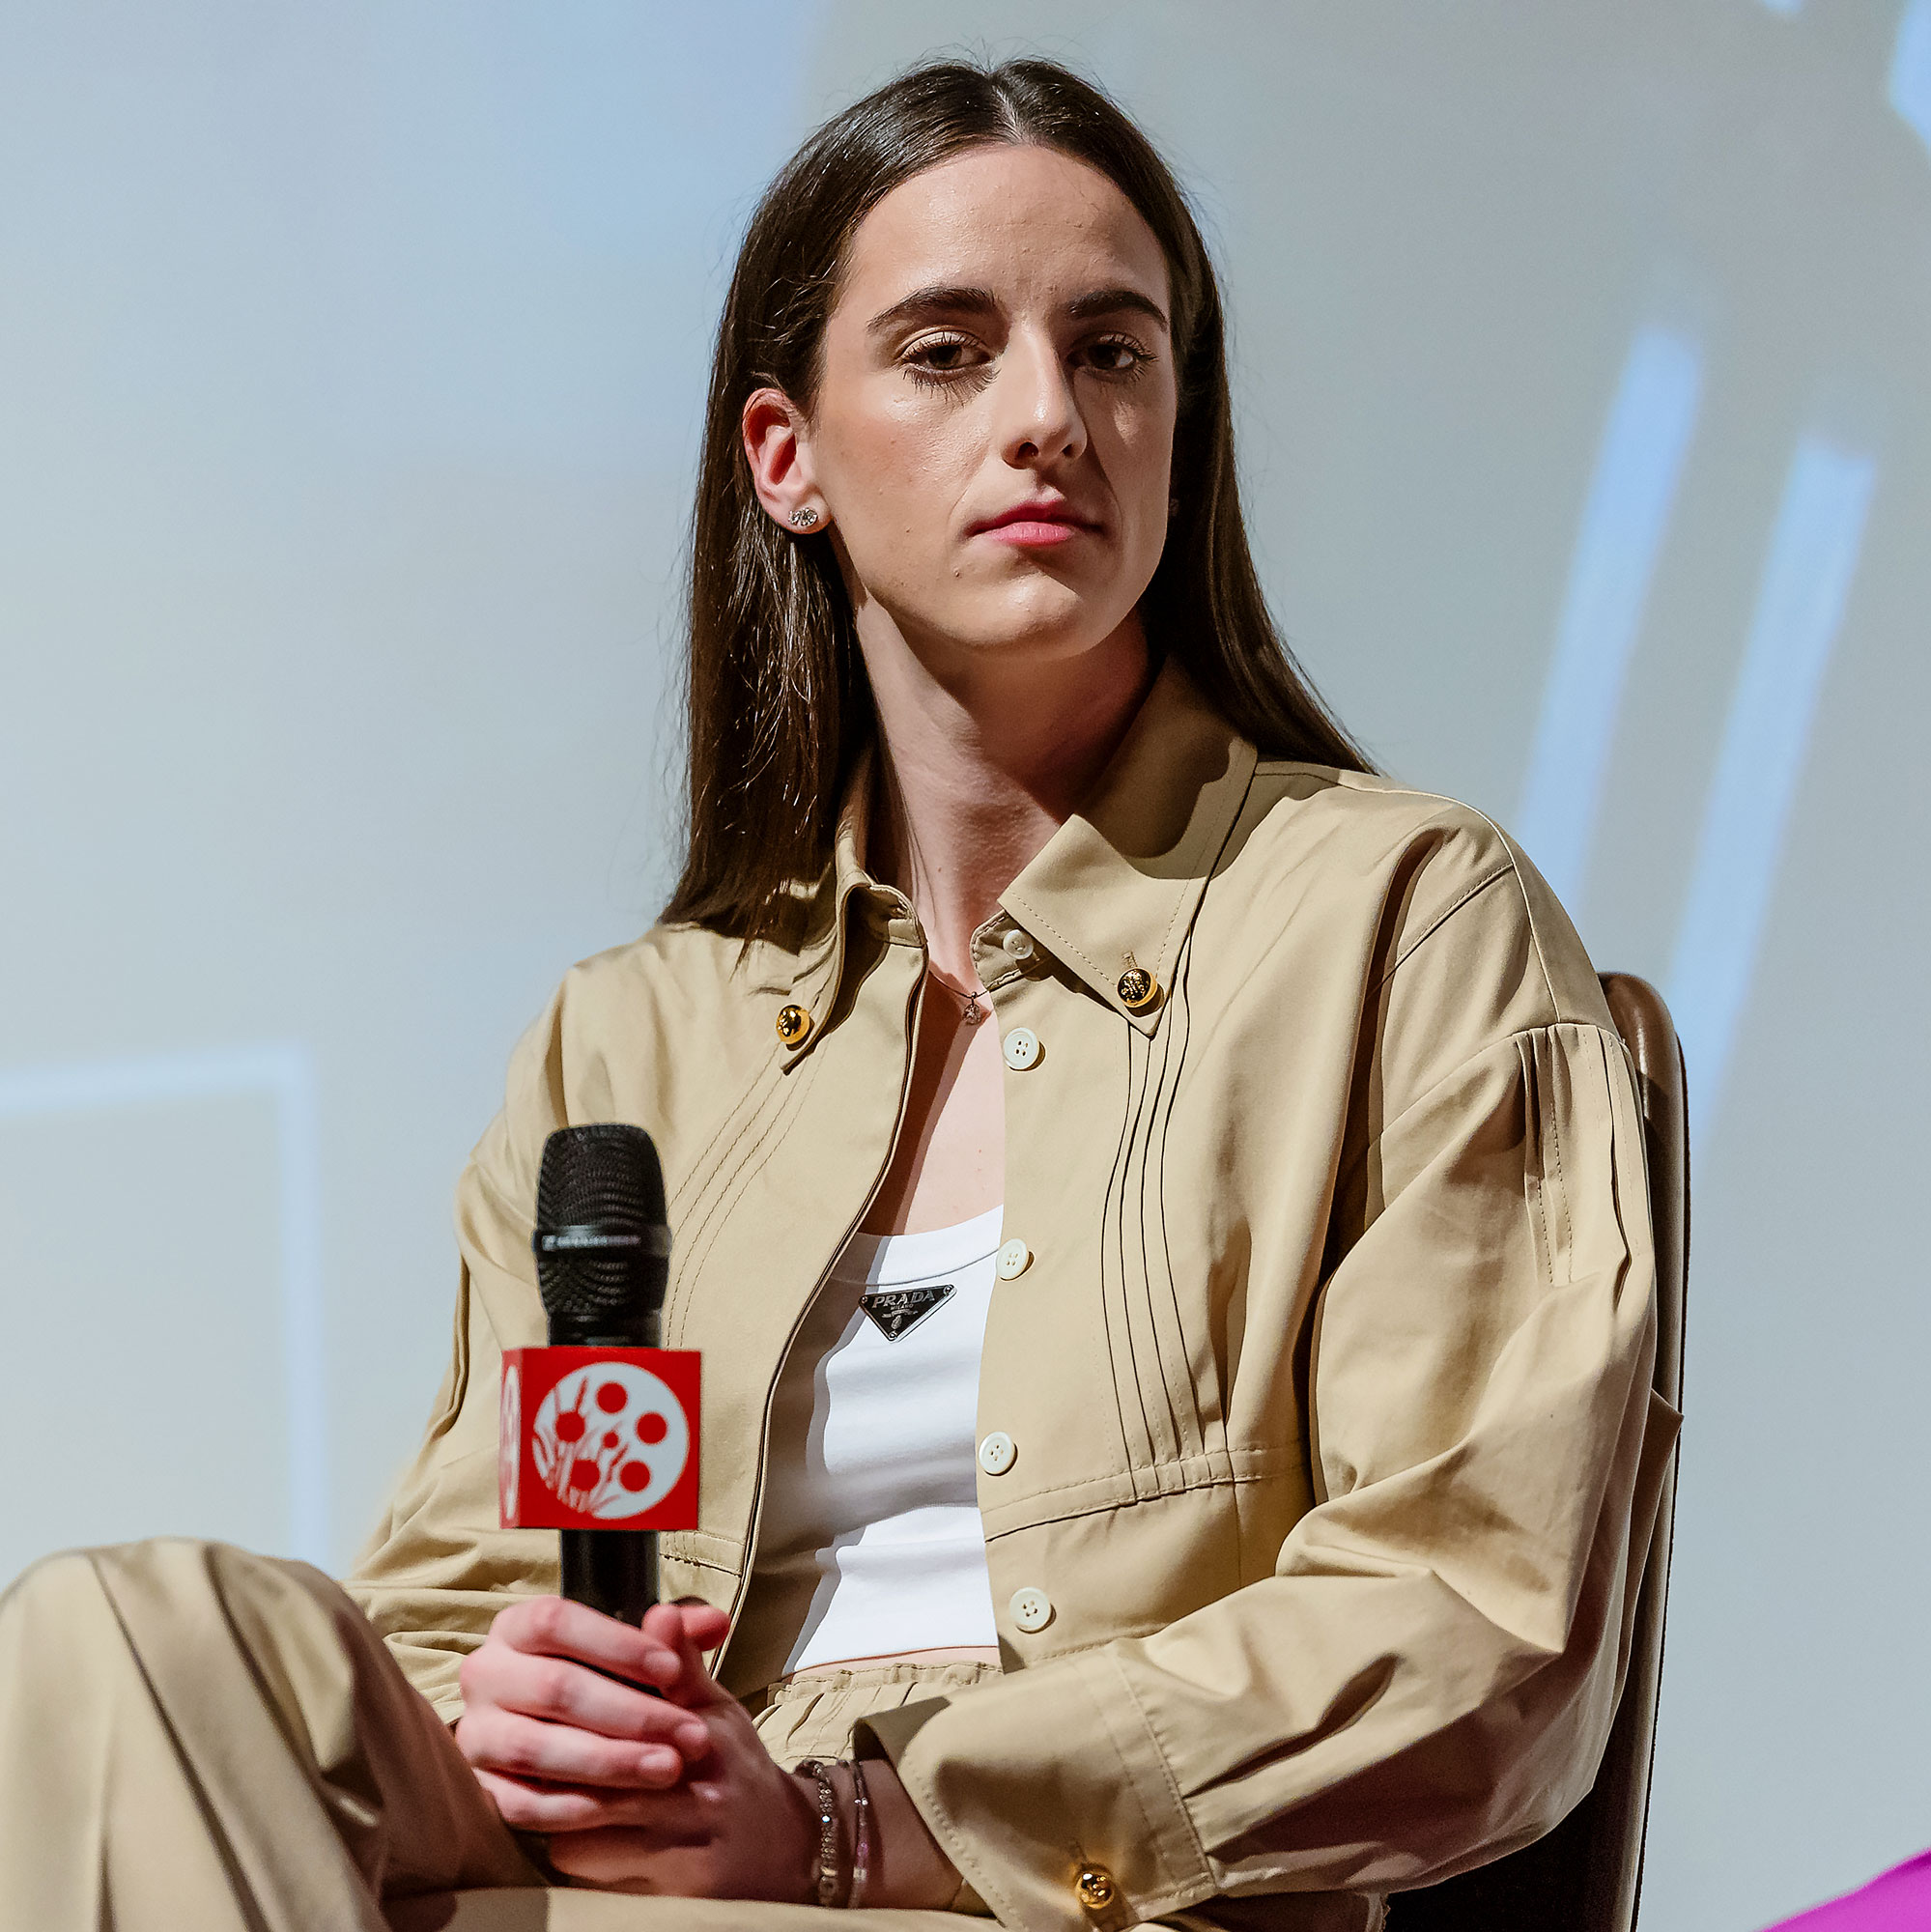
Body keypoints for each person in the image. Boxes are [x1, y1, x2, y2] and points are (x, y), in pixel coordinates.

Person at [0, 56, 1677, 1932]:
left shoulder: (1401, 917)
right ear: (785, 457)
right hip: (616, 1870)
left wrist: (850, 1824)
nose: (1048, 415)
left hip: (1041, 1896)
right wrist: (522, 1702)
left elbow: (1476, 1624)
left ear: (1179, 433)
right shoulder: (636, 1029)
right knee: (121, 1635)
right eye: (948, 350)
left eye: (1112, 352)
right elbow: (481, 1576)